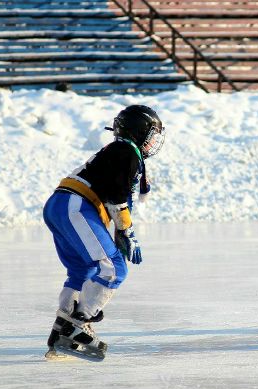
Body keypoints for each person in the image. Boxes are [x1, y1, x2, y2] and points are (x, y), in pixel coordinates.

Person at [42, 105, 165, 360]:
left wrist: (120, 229)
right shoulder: (126, 151)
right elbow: (116, 195)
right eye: (152, 135)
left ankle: (62, 326)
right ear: (139, 132)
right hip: (76, 206)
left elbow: (113, 191)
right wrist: (127, 231)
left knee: (83, 269)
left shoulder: (118, 151)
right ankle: (78, 326)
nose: (154, 142)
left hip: (59, 205)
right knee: (115, 268)